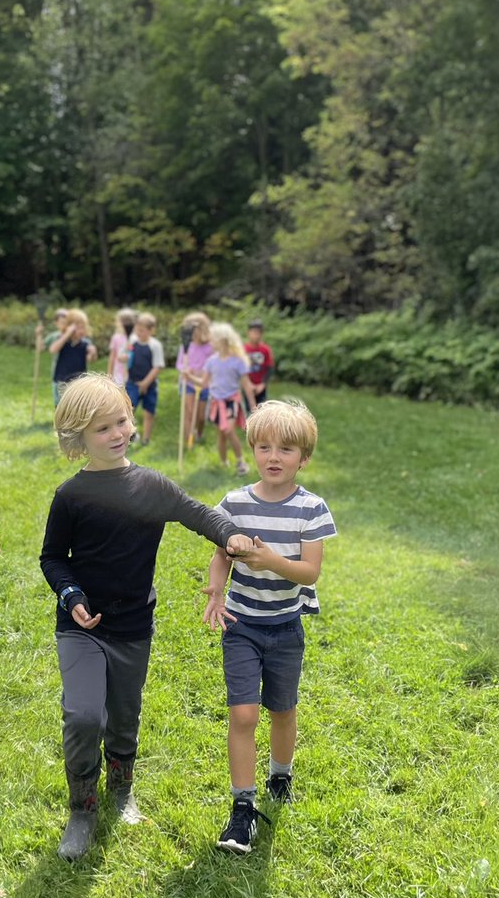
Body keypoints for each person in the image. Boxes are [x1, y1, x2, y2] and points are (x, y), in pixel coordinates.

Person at [40, 373, 254, 862]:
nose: (117, 433)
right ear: (78, 437)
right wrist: (71, 594)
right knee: (83, 715)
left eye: (121, 421)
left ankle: (121, 794)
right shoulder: (71, 495)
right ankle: (82, 810)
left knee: (124, 717)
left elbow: (199, 513)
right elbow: (52, 557)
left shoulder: (151, 485)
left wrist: (230, 536)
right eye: (102, 429)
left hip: (133, 626)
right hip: (82, 627)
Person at [202, 398, 337, 854]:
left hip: (284, 627)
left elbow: (309, 573)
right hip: (241, 624)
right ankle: (242, 808)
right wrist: (216, 589)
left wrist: (269, 560)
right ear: (253, 450)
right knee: (243, 714)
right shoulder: (234, 503)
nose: (273, 457)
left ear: (304, 457)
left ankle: (281, 775)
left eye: (285, 449)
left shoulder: (311, 509)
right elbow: (221, 553)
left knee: (282, 710)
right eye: (264, 447)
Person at [201, 322, 257, 475]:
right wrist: (188, 376)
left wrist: (253, 407)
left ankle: (241, 462)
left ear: (222, 340)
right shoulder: (211, 361)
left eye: (213, 339)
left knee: (229, 430)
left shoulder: (238, 361)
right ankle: (224, 463)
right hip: (216, 402)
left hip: (231, 401)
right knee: (221, 434)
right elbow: (203, 383)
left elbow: (246, 385)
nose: (210, 342)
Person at [125, 312, 164, 446]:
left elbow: (157, 366)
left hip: (150, 385)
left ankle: (146, 439)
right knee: (128, 410)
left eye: (142, 330)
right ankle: (131, 435)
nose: (139, 333)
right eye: (137, 330)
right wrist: (123, 358)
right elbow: (128, 356)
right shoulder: (133, 341)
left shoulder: (155, 345)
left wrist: (146, 383)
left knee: (148, 412)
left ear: (151, 330)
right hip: (133, 382)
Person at [175, 311, 213, 445]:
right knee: (189, 412)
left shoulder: (210, 347)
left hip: (203, 383)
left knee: (201, 416)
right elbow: (179, 364)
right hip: (188, 383)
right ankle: (188, 442)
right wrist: (185, 370)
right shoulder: (186, 346)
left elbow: (213, 364)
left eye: (194, 328)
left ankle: (199, 433)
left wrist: (204, 372)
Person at [49, 309, 97, 404]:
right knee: (61, 406)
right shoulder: (63, 340)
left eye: (83, 327)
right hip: (61, 381)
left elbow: (90, 360)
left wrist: (93, 353)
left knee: (76, 406)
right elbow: (53, 350)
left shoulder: (86, 343)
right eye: (78, 328)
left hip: (79, 382)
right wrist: (67, 334)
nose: (82, 331)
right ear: (69, 327)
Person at [35, 308, 68, 404]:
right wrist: (39, 335)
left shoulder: (74, 336)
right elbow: (40, 348)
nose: (64, 325)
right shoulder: (54, 336)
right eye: (62, 322)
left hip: (73, 372)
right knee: (58, 401)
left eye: (66, 322)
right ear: (56, 323)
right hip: (58, 373)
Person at [244, 318, 275, 410]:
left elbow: (269, 368)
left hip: (261, 386)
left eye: (259, 333)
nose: (256, 335)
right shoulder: (243, 349)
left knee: (262, 410)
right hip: (247, 385)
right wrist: (248, 383)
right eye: (254, 332)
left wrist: (263, 384)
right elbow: (240, 369)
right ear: (248, 332)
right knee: (250, 411)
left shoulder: (265, 349)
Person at [107, 307, 137, 386]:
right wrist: (109, 374)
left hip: (132, 373)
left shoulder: (135, 338)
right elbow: (112, 357)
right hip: (118, 372)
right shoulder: (116, 338)